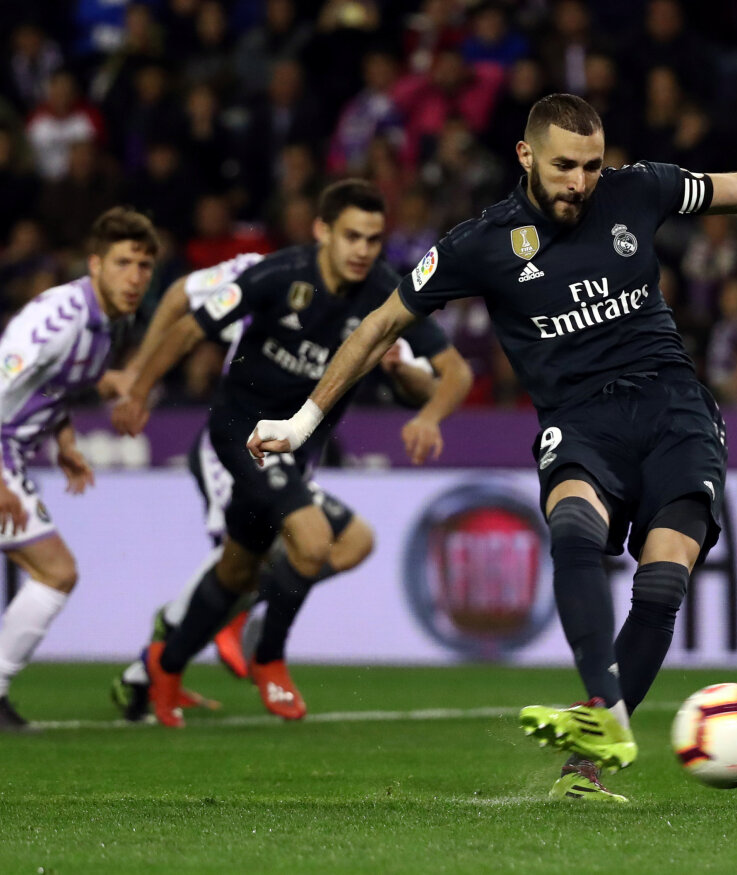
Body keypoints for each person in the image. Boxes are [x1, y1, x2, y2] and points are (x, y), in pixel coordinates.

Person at [248, 95, 737, 800]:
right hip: (581, 420)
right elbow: (377, 325)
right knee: (574, 524)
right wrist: (301, 423)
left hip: (674, 407)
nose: (579, 182)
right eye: (563, 166)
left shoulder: (638, 188)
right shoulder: (480, 243)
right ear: (526, 157)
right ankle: (606, 708)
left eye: (590, 165)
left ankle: (586, 761)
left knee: (665, 573)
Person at [112, 180, 472, 728]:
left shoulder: (385, 292)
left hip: (295, 452)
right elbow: (191, 325)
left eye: (374, 239)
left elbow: (456, 374)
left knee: (242, 567)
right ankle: (269, 655)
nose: (362, 249)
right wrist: (139, 390)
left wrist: (428, 414)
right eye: (351, 236)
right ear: (322, 231)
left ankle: (165, 664)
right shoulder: (279, 274)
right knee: (311, 540)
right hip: (243, 434)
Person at [0, 207, 159, 730]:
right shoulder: (57, 322)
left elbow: (53, 386)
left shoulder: (108, 321)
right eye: (122, 263)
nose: (134, 277)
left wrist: (64, 440)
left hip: (16, 452)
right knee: (55, 571)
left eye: (143, 265)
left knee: (50, 572)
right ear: (94, 264)